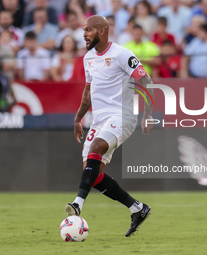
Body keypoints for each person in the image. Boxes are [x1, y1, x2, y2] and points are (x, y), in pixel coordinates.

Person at [65, 15, 153, 237]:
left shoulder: (122, 54)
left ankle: (77, 204)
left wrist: (148, 114)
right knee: (92, 173)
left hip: (123, 115)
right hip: (100, 120)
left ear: (102, 31)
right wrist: (78, 119)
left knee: (96, 148)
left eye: (88, 30)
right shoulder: (88, 58)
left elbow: (146, 81)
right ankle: (137, 208)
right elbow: (87, 93)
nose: (84, 34)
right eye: (83, 31)